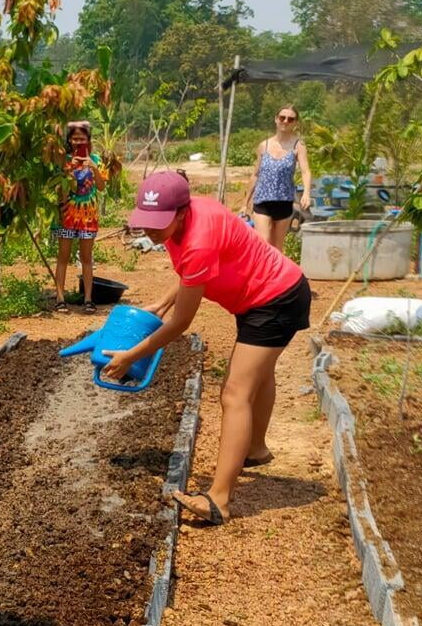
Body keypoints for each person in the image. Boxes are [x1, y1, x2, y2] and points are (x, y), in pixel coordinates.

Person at [103, 170, 311, 526]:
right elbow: (189, 271)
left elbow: (181, 324)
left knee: (235, 394)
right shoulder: (187, 218)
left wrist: (131, 356)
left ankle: (219, 499)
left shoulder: (198, 238)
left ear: (182, 212)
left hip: (275, 300)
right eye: (146, 221)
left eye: (158, 223)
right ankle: (255, 449)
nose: (150, 230)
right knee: (260, 375)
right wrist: (162, 303)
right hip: (264, 295)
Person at [243, 106, 312, 253]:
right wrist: (245, 202)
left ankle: (275, 269)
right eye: (282, 117)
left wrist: (306, 193)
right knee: (264, 244)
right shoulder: (264, 145)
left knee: (277, 248)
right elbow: (256, 174)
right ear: (276, 119)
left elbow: (305, 171)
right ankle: (263, 269)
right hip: (262, 200)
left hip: (284, 201)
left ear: (295, 123)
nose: (285, 121)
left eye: (290, 119)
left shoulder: (298, 146)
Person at [54, 120, 107, 312]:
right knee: (63, 256)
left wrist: (93, 167)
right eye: (74, 139)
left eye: (81, 139)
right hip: (66, 216)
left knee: (86, 257)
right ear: (69, 140)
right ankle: (60, 298)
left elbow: (101, 187)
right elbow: (58, 189)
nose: (78, 142)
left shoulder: (96, 160)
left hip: (88, 217)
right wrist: (69, 169)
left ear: (88, 140)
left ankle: (88, 299)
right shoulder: (63, 161)